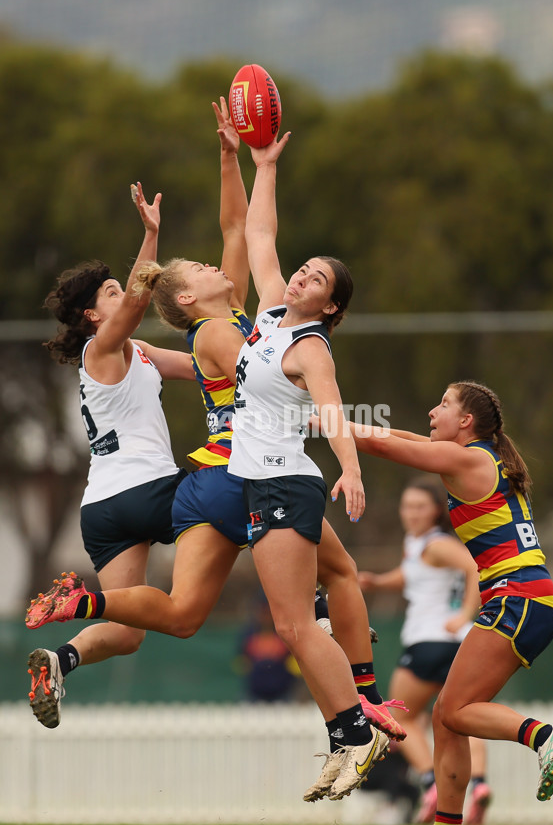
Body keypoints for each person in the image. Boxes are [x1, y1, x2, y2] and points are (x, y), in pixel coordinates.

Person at [26, 103, 406, 757]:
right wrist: (331, 418)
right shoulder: (225, 330)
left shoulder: (170, 344)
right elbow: (230, 261)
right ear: (190, 299)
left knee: (175, 615)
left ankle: (75, 625)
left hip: (159, 491)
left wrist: (233, 159)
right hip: (228, 474)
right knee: (333, 577)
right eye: (200, 270)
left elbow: (241, 226)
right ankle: (359, 701)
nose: (210, 264)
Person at [225, 131, 392, 803]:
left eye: (317, 278)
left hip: (283, 484)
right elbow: (258, 233)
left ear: (331, 306)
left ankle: (359, 728)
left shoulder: (310, 346)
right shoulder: (270, 315)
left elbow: (330, 411)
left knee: (293, 623)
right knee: (339, 580)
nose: (301, 275)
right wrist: (264, 165)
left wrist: (351, 470)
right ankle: (347, 727)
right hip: (274, 482)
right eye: (306, 268)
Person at [347, 380, 553, 825]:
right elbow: (402, 438)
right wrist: (333, 421)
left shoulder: (470, 459)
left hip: (516, 599)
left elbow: (379, 444)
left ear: (467, 421)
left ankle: (544, 737)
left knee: (452, 711)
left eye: (444, 404)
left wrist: (316, 421)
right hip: (526, 600)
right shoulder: (475, 458)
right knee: (447, 717)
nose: (433, 411)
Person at [27, 181, 195, 728]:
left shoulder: (135, 351)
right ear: (93, 318)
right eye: (110, 292)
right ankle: (312, 603)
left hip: (103, 509)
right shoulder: (101, 350)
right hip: (147, 490)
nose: (122, 294)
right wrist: (150, 235)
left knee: (128, 632)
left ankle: (60, 658)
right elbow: (143, 298)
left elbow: (202, 368)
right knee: (249, 496)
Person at [359, 475, 492, 825]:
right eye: (407, 506)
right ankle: (477, 785)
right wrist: (377, 581)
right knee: (461, 717)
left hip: (429, 641)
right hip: (458, 644)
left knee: (399, 719)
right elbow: (411, 575)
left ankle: (431, 783)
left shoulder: (436, 545)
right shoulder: (417, 545)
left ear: (436, 510)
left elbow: (474, 567)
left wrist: (465, 612)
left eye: (420, 506)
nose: (411, 513)